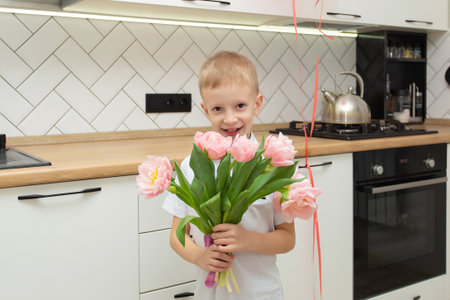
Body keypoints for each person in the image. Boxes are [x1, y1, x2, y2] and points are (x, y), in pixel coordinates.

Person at [162, 51, 295, 300]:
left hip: (261, 293)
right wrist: (199, 256)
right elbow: (176, 235)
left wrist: (246, 239)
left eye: (240, 106)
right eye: (218, 108)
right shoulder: (193, 165)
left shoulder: (272, 163)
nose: (230, 118)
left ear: (257, 103)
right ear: (205, 110)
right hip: (209, 294)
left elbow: (287, 239)